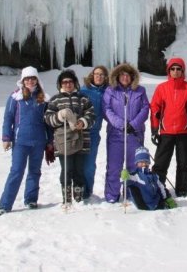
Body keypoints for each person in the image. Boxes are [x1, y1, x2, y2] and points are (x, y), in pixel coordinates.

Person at [0, 66, 55, 215]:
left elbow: (47, 122)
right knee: (16, 172)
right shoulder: (15, 97)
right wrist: (6, 137)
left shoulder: (44, 98)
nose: (30, 81)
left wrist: (50, 141)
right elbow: (8, 118)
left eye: (32, 78)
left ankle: (31, 199)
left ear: (37, 80)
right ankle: (5, 204)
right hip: (20, 141)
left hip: (38, 141)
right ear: (22, 81)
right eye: (27, 79)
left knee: (35, 171)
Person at [149, 57, 187, 197]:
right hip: (166, 132)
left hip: (185, 132)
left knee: (183, 163)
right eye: (172, 69)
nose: (175, 71)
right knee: (160, 163)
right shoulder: (161, 88)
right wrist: (154, 131)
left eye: (178, 69)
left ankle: (182, 189)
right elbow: (155, 110)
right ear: (168, 71)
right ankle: (158, 188)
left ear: (183, 71)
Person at [44, 69, 95, 204]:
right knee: (66, 169)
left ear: (75, 83)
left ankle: (78, 197)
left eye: (70, 81)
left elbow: (91, 115)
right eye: (64, 82)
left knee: (79, 169)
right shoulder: (55, 100)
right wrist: (59, 116)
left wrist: (83, 122)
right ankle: (66, 198)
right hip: (63, 141)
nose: (68, 84)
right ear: (60, 84)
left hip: (82, 139)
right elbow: (48, 119)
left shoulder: (83, 98)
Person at [102, 63, 150, 203]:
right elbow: (107, 110)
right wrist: (121, 125)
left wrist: (133, 124)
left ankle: (130, 193)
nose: (125, 77)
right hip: (116, 134)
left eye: (127, 75)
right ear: (117, 76)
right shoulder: (110, 91)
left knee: (133, 166)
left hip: (134, 134)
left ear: (132, 77)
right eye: (122, 74)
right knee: (114, 166)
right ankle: (112, 195)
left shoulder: (140, 91)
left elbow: (145, 109)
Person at [80, 65, 108, 200]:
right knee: (78, 163)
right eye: (97, 74)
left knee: (90, 165)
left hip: (94, 133)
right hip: (79, 132)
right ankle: (77, 189)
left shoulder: (107, 92)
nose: (99, 76)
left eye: (102, 75)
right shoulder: (83, 90)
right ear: (92, 75)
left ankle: (87, 191)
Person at [123, 146, 177, 211]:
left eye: (146, 161)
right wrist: (124, 176)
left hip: (157, 203)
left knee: (161, 187)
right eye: (141, 161)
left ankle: (166, 201)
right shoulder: (135, 176)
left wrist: (167, 198)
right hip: (144, 206)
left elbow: (161, 187)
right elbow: (125, 181)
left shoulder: (153, 175)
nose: (144, 164)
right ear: (137, 163)